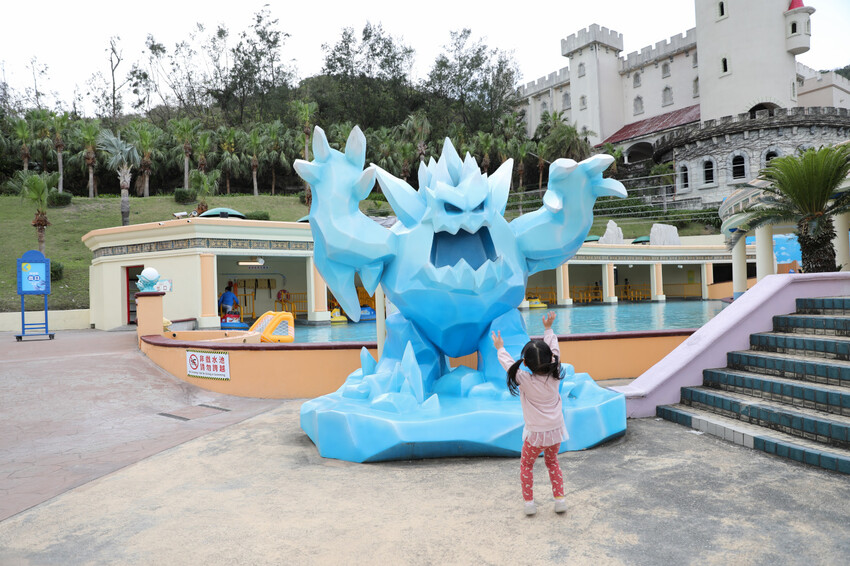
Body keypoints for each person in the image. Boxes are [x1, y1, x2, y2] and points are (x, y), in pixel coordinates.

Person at [492, 311, 568, 516]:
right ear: (551, 359)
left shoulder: (524, 379)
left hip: (535, 435)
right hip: (555, 432)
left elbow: (508, 364)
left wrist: (500, 348)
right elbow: (555, 350)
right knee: (552, 463)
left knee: (526, 465)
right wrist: (548, 329)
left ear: (525, 363)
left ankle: (529, 504)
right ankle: (559, 499)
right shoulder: (555, 374)